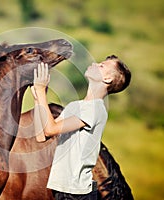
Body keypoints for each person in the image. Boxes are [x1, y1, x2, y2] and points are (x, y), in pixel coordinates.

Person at [31, 55, 131, 200]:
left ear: (107, 79)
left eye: (102, 65)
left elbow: (50, 129)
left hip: (78, 193)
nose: (94, 63)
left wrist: (41, 93)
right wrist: (37, 99)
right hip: (61, 188)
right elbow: (41, 136)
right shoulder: (75, 106)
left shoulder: (95, 109)